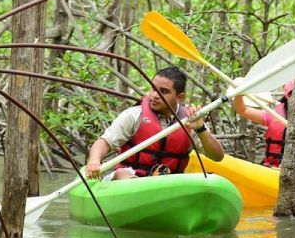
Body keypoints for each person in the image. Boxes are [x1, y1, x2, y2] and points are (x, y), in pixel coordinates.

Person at [84, 66, 225, 180]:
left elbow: (217, 156)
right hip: (128, 180)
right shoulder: (134, 115)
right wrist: (94, 161)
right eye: (153, 89)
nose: (154, 95)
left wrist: (201, 129)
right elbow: (104, 142)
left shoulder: (190, 120)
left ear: (179, 97)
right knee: (123, 174)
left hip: (168, 185)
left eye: (163, 92)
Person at [232, 79, 295, 174]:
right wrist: (239, 93)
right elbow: (242, 110)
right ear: (287, 96)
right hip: (271, 169)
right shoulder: (274, 116)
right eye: (293, 94)